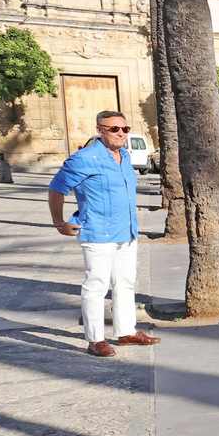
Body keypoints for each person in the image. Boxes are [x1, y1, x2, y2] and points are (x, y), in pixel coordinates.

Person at [48, 110, 161, 357]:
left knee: (126, 283)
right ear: (100, 129)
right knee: (96, 286)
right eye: (114, 129)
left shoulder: (126, 157)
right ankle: (95, 339)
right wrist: (59, 223)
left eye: (124, 129)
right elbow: (57, 189)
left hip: (127, 232)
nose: (120, 133)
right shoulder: (84, 159)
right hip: (97, 232)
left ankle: (127, 332)